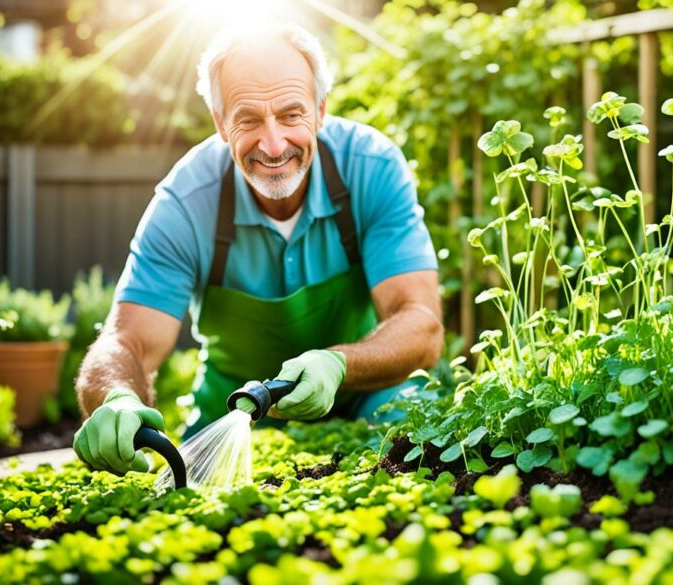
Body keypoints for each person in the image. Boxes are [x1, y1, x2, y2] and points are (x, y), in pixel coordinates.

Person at [72, 23, 443, 474]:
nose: (273, 144)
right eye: (248, 119)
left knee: (419, 444)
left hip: (367, 396)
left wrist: (338, 365)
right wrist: (117, 396)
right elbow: (124, 340)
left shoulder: (372, 168)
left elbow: (421, 324)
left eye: (291, 115)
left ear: (321, 110)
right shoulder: (186, 201)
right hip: (235, 413)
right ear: (220, 124)